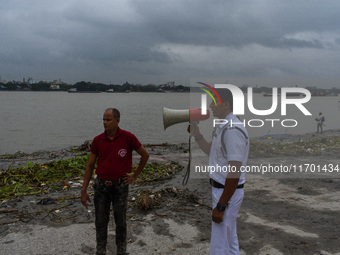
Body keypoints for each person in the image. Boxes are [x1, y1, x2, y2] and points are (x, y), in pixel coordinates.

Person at [188, 88, 249, 255]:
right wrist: (198, 136)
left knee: (220, 241)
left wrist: (221, 205)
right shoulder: (224, 127)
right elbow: (213, 153)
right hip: (224, 190)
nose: (210, 106)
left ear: (226, 105)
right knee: (229, 238)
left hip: (226, 191)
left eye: (214, 102)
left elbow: (235, 170)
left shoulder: (232, 130)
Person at [81, 108, 149, 255]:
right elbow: (90, 165)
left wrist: (134, 176)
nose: (105, 123)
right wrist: (83, 190)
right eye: (104, 120)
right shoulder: (98, 140)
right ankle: (100, 251)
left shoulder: (128, 137)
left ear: (117, 121)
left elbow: (145, 155)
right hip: (101, 187)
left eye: (108, 120)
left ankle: (121, 251)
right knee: (100, 222)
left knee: (121, 222)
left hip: (120, 186)